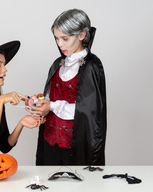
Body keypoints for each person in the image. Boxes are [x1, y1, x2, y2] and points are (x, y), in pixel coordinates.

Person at [26, 9, 107, 165]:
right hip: (50, 140)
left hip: (75, 144)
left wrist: (52, 106)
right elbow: (50, 96)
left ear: (82, 35)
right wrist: (40, 103)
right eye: (56, 38)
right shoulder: (58, 64)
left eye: (65, 38)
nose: (60, 44)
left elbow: (89, 111)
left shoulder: (91, 66)